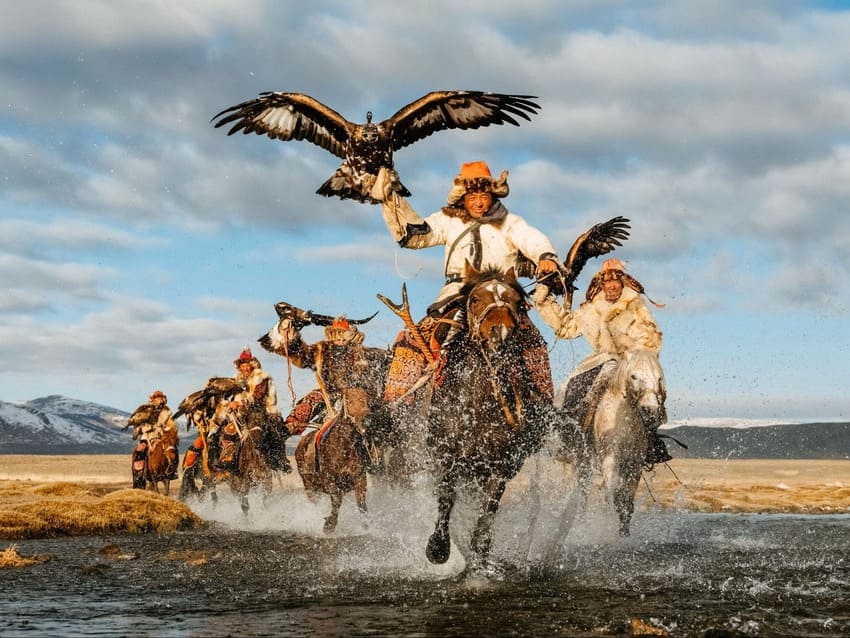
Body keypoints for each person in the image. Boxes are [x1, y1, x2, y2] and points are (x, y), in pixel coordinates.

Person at [369, 160, 567, 405]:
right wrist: (390, 198)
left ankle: (543, 408)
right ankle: (397, 406)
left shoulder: (510, 222)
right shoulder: (447, 220)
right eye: (472, 196)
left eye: (484, 195)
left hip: (502, 292)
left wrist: (546, 256)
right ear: (463, 197)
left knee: (532, 340)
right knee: (415, 338)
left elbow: (531, 239)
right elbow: (415, 235)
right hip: (458, 292)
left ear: (492, 195)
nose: (479, 202)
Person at [555, 258, 671, 465]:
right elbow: (566, 328)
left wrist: (637, 354)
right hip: (601, 360)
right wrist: (545, 301)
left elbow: (651, 336)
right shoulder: (591, 308)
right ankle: (569, 439)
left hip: (632, 360)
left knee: (652, 391)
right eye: (607, 281)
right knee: (569, 388)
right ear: (600, 284)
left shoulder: (635, 305)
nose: (611, 285)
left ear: (622, 283)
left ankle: (651, 440)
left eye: (616, 280)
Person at [269, 316, 390, 468]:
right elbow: (302, 355)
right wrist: (291, 337)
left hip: (357, 394)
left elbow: (381, 359)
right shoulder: (321, 350)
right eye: (336, 335)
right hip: (329, 393)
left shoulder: (361, 352)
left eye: (343, 335)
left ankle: (377, 453)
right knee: (306, 405)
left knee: (378, 415)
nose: (340, 340)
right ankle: (279, 445)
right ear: (331, 336)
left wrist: (390, 355)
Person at [220, 347, 290, 472]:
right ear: (239, 367)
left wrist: (239, 403)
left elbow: (258, 396)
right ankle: (229, 456)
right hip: (243, 413)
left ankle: (280, 459)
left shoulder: (261, 377)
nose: (245, 368)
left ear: (252, 366)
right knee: (228, 430)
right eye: (242, 366)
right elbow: (229, 395)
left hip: (263, 411)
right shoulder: (236, 380)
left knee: (275, 432)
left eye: (247, 365)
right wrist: (228, 404)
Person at [130, 390, 179, 480]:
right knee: (140, 450)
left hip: (161, 437)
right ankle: (139, 472)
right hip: (148, 437)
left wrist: (168, 429)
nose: (159, 401)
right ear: (153, 400)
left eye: (161, 398)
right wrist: (142, 428)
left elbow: (171, 425)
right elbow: (136, 429)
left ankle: (173, 471)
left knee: (173, 449)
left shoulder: (166, 413)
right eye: (157, 398)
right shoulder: (144, 411)